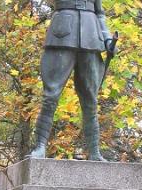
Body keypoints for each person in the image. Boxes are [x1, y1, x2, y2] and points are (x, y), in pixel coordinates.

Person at [28, 0, 116, 161]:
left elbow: (100, 13)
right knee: (51, 95)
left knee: (90, 100)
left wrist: (107, 38)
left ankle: (95, 152)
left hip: (91, 37)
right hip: (61, 35)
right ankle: (40, 146)